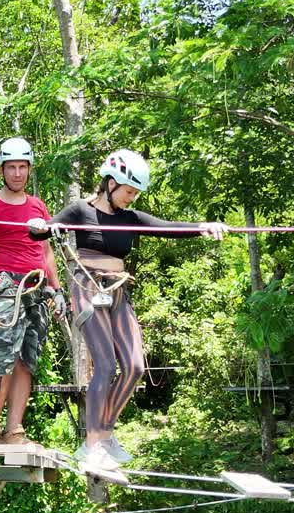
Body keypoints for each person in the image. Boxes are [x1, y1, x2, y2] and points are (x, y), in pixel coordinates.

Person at [28, 149, 228, 471]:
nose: (131, 198)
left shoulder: (130, 219)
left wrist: (205, 226)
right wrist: (40, 225)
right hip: (87, 286)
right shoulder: (80, 210)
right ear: (110, 183)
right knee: (105, 365)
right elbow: (43, 230)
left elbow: (169, 227)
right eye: (128, 191)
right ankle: (92, 445)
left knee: (134, 366)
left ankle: (105, 435)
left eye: (135, 193)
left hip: (117, 288)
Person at [0, 137, 66, 445]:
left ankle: (14, 430)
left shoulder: (37, 206)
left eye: (23, 167)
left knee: (27, 360)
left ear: (29, 169)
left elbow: (47, 253)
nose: (18, 173)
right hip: (7, 286)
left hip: (38, 286)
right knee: (2, 357)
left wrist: (57, 289)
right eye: (12, 167)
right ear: (2, 170)